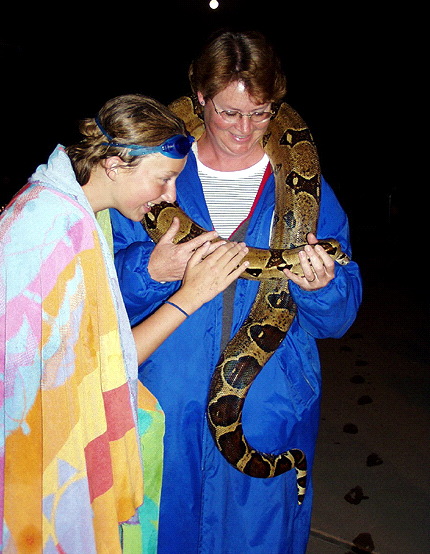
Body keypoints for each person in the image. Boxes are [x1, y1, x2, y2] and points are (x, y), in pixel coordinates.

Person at [111, 31, 363, 554]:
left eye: (261, 113)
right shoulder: (151, 179)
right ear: (199, 99)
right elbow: (98, 297)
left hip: (267, 406)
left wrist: (322, 289)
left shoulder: (308, 189)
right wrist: (151, 270)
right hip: (164, 408)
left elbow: (338, 318)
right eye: (229, 112)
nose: (244, 129)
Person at [0, 93, 249, 553]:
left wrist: (160, 272)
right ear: (115, 165)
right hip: (35, 471)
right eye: (164, 179)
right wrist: (191, 296)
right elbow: (102, 369)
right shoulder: (50, 231)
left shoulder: (79, 214)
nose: (171, 197)